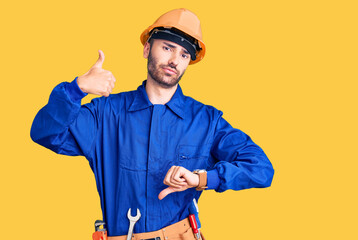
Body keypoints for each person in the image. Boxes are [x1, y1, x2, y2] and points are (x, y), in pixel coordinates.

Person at [30, 8, 274, 240]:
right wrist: (76, 90)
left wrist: (202, 179)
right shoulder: (105, 114)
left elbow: (261, 168)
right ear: (147, 49)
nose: (174, 60)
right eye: (167, 47)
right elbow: (45, 133)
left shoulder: (206, 121)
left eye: (184, 54)